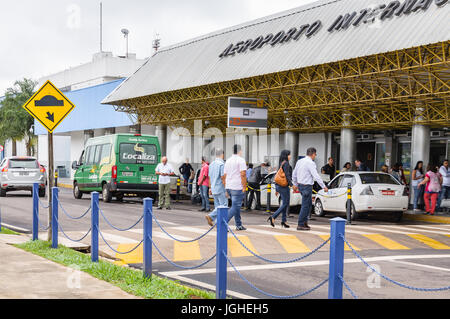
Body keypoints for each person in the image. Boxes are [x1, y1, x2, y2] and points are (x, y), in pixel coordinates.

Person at [293, 147, 328, 231]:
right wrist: (324, 186)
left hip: (301, 185)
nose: (315, 156)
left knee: (308, 205)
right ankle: (300, 224)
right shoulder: (310, 163)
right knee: (305, 206)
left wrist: (295, 184)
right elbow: (316, 175)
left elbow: (294, 173)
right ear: (313, 154)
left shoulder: (299, 161)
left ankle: (304, 222)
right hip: (307, 186)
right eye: (315, 155)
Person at [223, 144, 248, 231]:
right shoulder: (241, 160)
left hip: (229, 186)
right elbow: (243, 174)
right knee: (235, 207)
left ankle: (239, 224)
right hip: (237, 187)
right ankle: (222, 223)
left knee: (235, 206)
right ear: (240, 151)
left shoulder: (228, 161)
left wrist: (226, 187)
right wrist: (244, 186)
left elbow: (224, 175)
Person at [268, 150, 293, 228]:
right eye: (289, 155)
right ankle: (273, 216)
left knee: (285, 203)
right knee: (285, 203)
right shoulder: (286, 164)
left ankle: (284, 221)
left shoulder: (281, 163)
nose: (290, 156)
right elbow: (287, 176)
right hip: (284, 186)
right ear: (286, 155)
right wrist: (292, 185)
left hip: (279, 185)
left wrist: (276, 189)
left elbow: (277, 176)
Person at [205, 149, 227, 226]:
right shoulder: (222, 164)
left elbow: (210, 177)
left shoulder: (212, 164)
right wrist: (226, 189)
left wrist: (210, 188)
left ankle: (218, 224)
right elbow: (223, 177)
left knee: (217, 206)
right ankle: (211, 216)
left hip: (214, 188)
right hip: (220, 188)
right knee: (223, 206)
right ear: (222, 154)